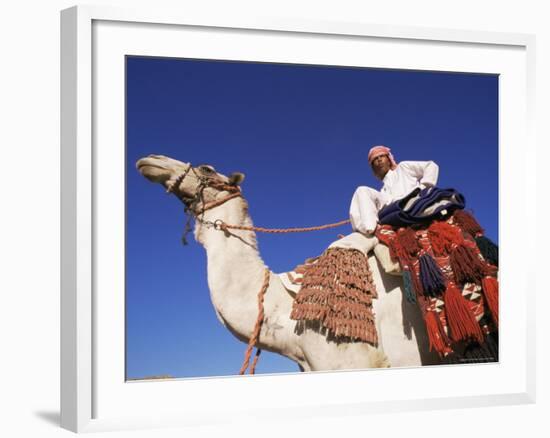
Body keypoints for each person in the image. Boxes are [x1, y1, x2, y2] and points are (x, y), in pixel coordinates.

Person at [349, 145, 439, 235]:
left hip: (411, 201)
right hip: (392, 210)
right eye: (375, 159)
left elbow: (431, 166)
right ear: (374, 168)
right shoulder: (383, 191)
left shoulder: (403, 167)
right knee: (361, 191)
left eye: (381, 156)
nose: (379, 160)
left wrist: (424, 187)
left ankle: (369, 232)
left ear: (389, 160)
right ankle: (365, 232)